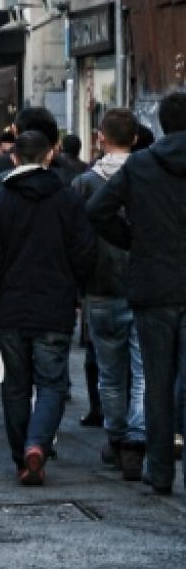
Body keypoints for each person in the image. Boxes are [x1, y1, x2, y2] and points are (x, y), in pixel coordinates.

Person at [0, 130, 96, 486]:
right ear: (50, 155)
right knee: (52, 382)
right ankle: (38, 444)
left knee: (16, 384)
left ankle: (21, 455)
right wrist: (75, 287)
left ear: (14, 158)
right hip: (54, 303)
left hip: (11, 303)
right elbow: (84, 249)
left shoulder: (0, 199)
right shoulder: (66, 197)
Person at [88, 91, 186, 495]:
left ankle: (160, 469)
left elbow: (97, 210)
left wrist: (133, 240)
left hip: (153, 286)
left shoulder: (142, 165)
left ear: (161, 123)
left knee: (158, 383)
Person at [71, 108, 145, 481]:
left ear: (100, 137)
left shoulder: (84, 184)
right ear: (135, 139)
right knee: (143, 372)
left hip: (99, 289)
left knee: (110, 373)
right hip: (145, 285)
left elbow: (75, 239)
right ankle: (137, 438)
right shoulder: (147, 176)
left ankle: (116, 438)